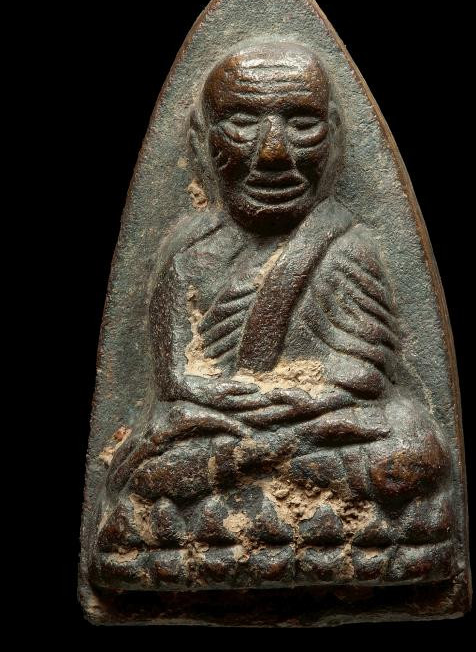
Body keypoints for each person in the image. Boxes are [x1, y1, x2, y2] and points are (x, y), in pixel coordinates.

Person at [91, 41, 454, 591]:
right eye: (242, 123)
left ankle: (229, 528)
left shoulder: (345, 245)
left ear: (334, 135)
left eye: (303, 124)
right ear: (202, 135)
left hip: (316, 429)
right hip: (215, 430)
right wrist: (218, 402)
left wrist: (298, 405)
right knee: (148, 466)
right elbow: (174, 383)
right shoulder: (188, 252)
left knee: (413, 449)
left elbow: (366, 375)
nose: (274, 153)